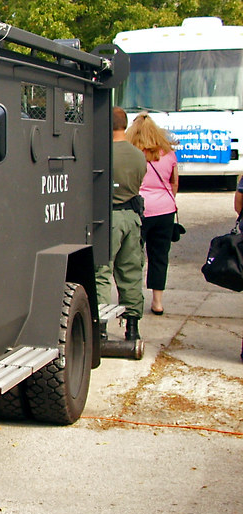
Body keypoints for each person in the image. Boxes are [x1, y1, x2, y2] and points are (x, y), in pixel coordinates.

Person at [95, 106, 147, 343]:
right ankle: (132, 327)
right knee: (131, 272)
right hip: (132, 217)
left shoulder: (102, 153)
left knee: (101, 272)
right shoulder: (138, 155)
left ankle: (101, 327)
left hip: (108, 219)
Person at [126, 112, 179, 315]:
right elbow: (174, 183)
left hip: (139, 209)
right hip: (165, 210)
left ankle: (133, 296)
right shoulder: (169, 154)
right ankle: (157, 301)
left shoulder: (132, 154)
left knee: (134, 255)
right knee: (159, 256)